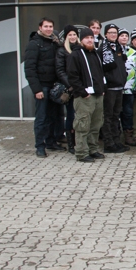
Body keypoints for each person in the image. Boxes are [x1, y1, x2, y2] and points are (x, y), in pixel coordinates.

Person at [25, 17, 64, 158]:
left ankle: (51, 142)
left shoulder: (55, 43)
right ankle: (40, 146)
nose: (48, 29)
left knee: (54, 116)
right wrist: (37, 90)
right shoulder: (34, 44)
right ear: (40, 28)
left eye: (50, 26)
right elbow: (29, 69)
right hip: (42, 87)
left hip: (55, 87)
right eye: (46, 26)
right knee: (41, 118)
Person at [66, 27, 106, 162]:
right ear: (81, 40)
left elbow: (100, 74)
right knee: (82, 125)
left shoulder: (95, 54)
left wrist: (102, 89)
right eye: (86, 38)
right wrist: (83, 92)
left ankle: (93, 149)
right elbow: (72, 77)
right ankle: (82, 153)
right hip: (84, 97)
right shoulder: (75, 55)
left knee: (96, 124)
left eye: (91, 38)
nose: (90, 40)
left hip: (98, 94)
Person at [100, 24, 129, 153]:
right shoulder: (103, 49)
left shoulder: (119, 48)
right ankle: (109, 143)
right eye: (110, 32)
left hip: (119, 87)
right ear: (106, 34)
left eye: (115, 32)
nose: (113, 34)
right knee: (108, 116)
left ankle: (117, 141)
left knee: (116, 115)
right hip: (110, 88)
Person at [56, 24, 80, 154]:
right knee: (71, 115)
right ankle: (71, 144)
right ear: (66, 37)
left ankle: (79, 141)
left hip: (81, 88)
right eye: (70, 35)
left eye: (74, 34)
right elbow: (60, 70)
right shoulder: (62, 51)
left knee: (80, 116)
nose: (72, 37)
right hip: (70, 89)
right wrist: (71, 85)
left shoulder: (81, 49)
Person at [118, 28, 136, 147]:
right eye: (121, 36)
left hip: (129, 87)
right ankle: (116, 136)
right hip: (115, 88)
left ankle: (128, 135)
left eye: (126, 36)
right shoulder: (112, 51)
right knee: (115, 112)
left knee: (128, 112)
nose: (124, 38)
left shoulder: (133, 52)